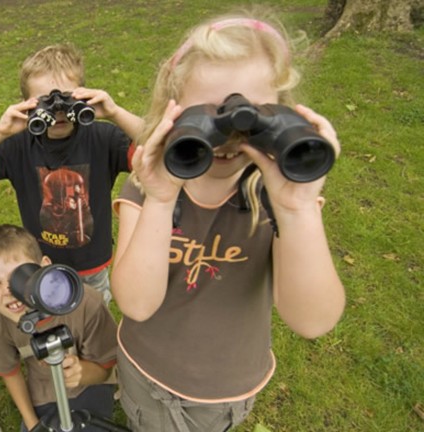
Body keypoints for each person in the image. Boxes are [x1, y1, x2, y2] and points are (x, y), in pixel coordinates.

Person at [110, 11, 346, 432]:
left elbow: (313, 321)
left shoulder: (275, 203)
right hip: (146, 373)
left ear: (281, 115)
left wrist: (298, 211)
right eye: (208, 114)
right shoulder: (147, 189)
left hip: (224, 391)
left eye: (256, 115)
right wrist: (162, 201)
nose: (230, 136)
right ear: (173, 112)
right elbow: (135, 304)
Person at [0, 44, 144, 304]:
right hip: (43, 263)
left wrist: (114, 113)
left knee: (93, 317)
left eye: (67, 99)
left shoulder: (102, 137)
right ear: (27, 104)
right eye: (46, 102)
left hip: (93, 262)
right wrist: (0, 131)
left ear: (83, 96)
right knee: (53, 320)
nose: (58, 110)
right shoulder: (18, 145)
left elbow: (160, 148)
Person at [0, 224, 119, 431]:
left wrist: (81, 372)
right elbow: (10, 373)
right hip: (43, 392)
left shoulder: (84, 302)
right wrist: (32, 423)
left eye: (19, 277)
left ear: (44, 266)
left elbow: (105, 368)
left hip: (88, 386)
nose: (9, 291)